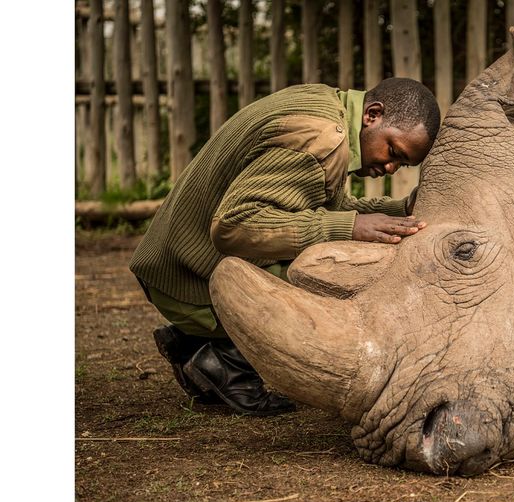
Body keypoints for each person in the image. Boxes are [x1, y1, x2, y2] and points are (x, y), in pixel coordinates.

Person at [129, 78, 441, 416]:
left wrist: (400, 211)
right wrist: (348, 228)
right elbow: (233, 225)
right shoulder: (322, 139)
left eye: (403, 164)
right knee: (339, 277)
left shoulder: (327, 107)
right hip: (186, 280)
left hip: (173, 263)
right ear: (373, 115)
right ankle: (223, 358)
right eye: (394, 151)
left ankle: (196, 341)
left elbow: (320, 207)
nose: (390, 167)